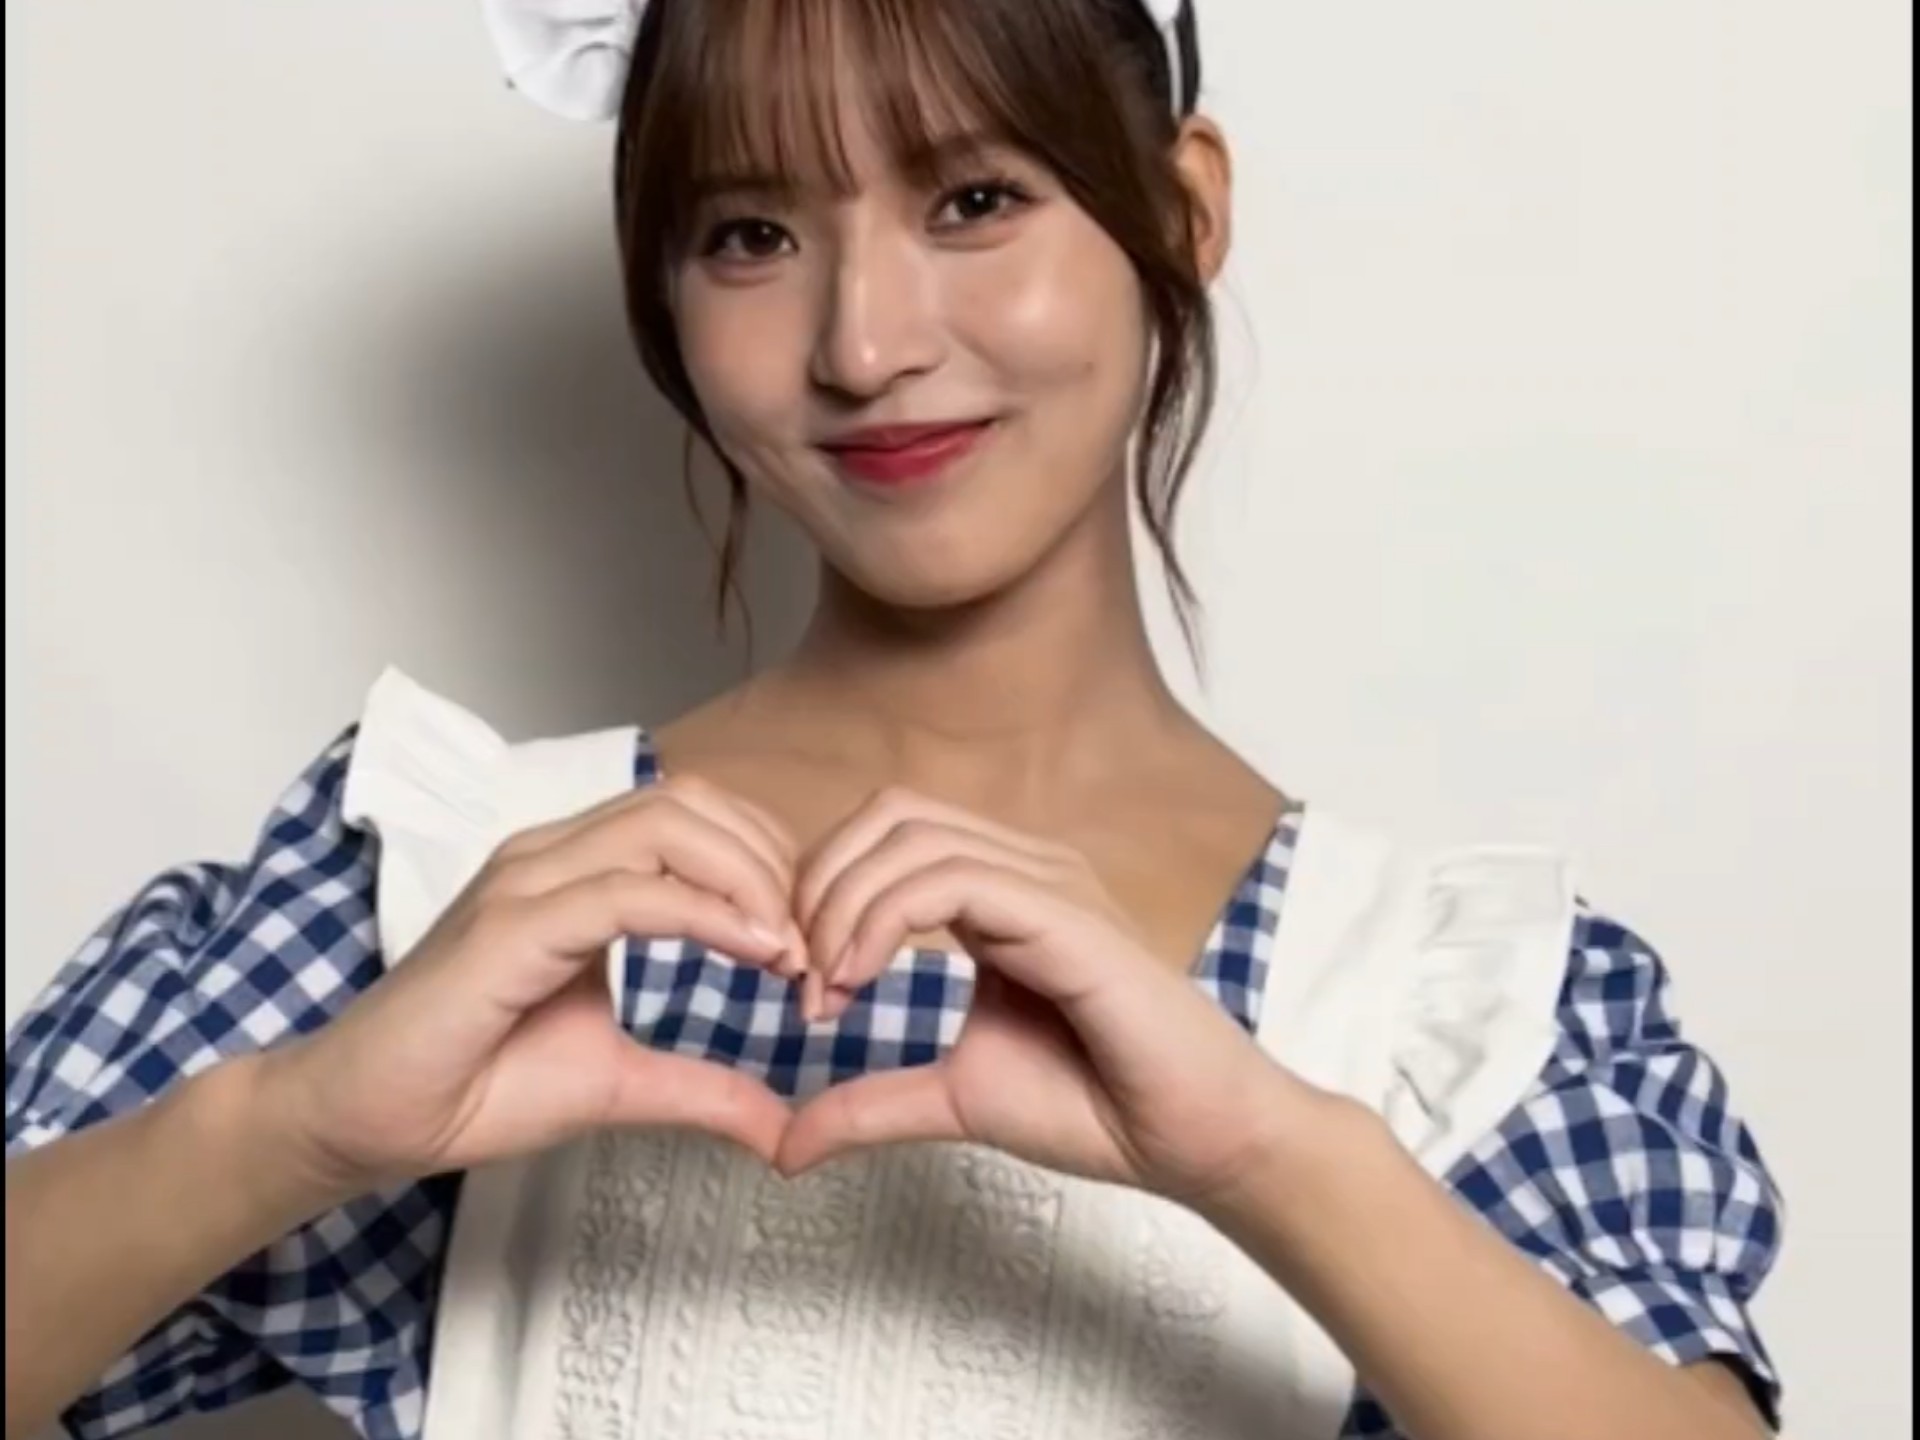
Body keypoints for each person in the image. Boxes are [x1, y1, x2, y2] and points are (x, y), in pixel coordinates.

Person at [5, 1, 1785, 1438]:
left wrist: (1265, 1152)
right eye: (752, 234)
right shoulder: (454, 892)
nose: (864, 343)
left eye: (974, 200)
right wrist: (298, 1124)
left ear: (1181, 210)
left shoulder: (1442, 998)